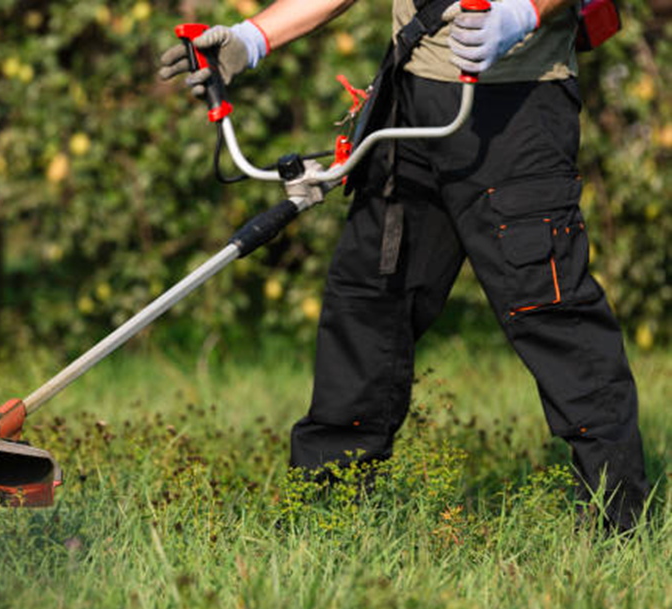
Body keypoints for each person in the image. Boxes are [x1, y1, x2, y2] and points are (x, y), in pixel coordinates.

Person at [160, 0, 650, 531]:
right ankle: (327, 512)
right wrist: (252, 38)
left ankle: (618, 522)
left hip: (517, 105)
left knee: (551, 310)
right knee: (369, 300)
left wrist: (521, 14)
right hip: (412, 99)